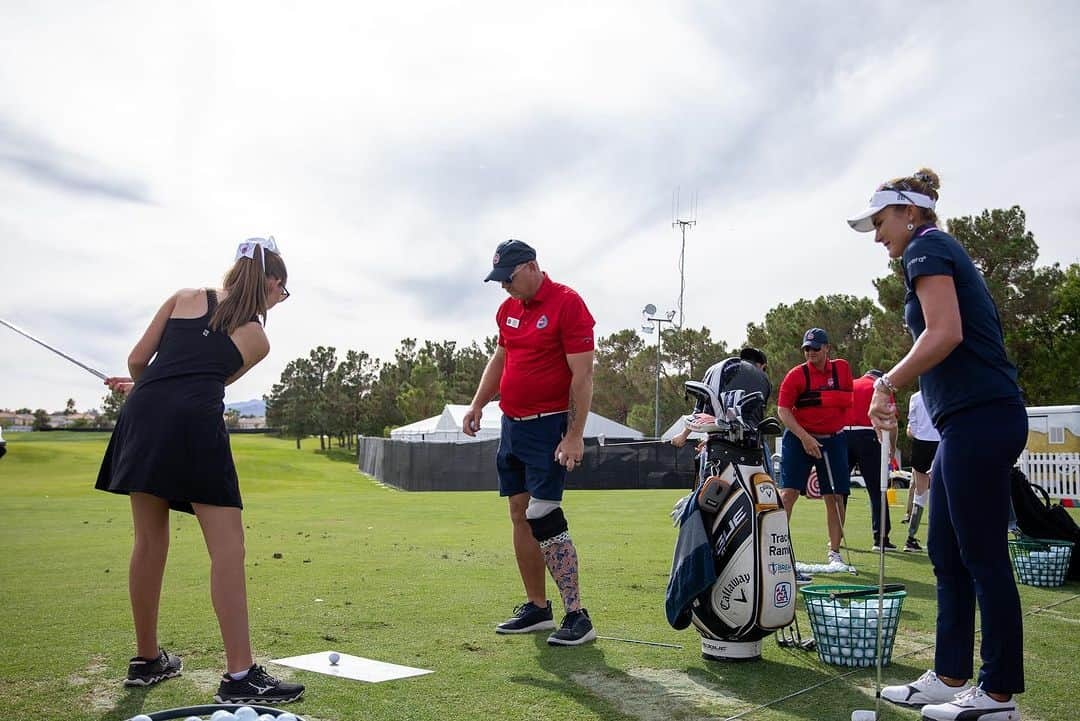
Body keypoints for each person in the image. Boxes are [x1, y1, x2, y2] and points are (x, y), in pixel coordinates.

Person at [849, 169, 1027, 720]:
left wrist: (885, 382)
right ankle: (950, 674)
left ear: (909, 212)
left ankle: (998, 696)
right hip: (962, 424)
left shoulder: (927, 248)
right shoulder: (927, 250)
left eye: (880, 223)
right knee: (946, 553)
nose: (878, 236)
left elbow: (944, 332)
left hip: (983, 417)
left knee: (983, 557)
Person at [95, 237, 304, 704]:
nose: (279, 299)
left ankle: (147, 660)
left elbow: (138, 361)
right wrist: (164, 384)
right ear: (273, 281)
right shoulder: (257, 337)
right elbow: (212, 377)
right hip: (192, 423)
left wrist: (145, 386)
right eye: (282, 292)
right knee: (228, 548)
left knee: (149, 541)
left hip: (144, 416)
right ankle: (240, 674)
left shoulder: (183, 298)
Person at [462, 239, 597, 646]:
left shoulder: (568, 303)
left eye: (509, 278)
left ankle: (577, 615)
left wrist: (574, 435)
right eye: (499, 280)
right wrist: (477, 403)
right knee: (519, 513)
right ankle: (537, 607)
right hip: (512, 427)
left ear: (533, 266)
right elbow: (500, 359)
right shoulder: (507, 311)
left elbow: (583, 375)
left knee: (543, 514)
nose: (504, 287)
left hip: (550, 426)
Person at [776, 328, 853, 579]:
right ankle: (774, 549)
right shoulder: (796, 375)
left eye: (816, 348)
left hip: (833, 440)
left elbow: (842, 403)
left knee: (835, 497)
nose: (810, 352)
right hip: (799, 438)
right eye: (807, 349)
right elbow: (783, 411)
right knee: (787, 495)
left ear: (827, 348)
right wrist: (805, 438)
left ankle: (834, 552)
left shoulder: (842, 369)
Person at [670, 347, 772, 474]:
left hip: (720, 445)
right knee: (766, 485)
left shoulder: (719, 368)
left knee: (708, 486)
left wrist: (683, 436)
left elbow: (701, 412)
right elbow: (754, 419)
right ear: (762, 365)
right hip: (754, 446)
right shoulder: (764, 379)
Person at [845, 369, 898, 551]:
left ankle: (835, 538)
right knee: (877, 489)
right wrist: (891, 446)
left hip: (843, 435)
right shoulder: (880, 388)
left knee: (839, 490)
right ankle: (881, 538)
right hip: (869, 434)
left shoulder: (850, 384)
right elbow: (891, 422)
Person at [904, 389, 938, 552]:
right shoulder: (945, 391)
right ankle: (943, 538)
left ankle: (910, 539)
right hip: (941, 442)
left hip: (921, 444)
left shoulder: (915, 397)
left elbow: (912, 428)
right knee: (944, 492)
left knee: (920, 493)